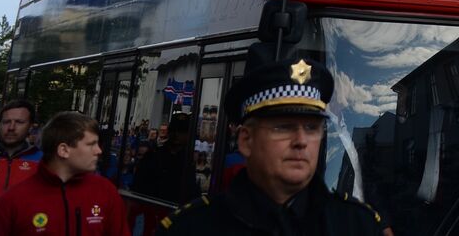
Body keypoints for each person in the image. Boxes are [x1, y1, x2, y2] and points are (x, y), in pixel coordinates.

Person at [156, 56, 388, 234]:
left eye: (311, 128)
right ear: (246, 140)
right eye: (283, 127)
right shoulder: (192, 228)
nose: (301, 142)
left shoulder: (357, 225)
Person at [0, 110, 127, 235]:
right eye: (91, 144)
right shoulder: (13, 202)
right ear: (63, 150)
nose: (98, 151)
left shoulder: (106, 191)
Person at [131, 112, 198, 205]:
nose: (176, 135)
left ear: (188, 135)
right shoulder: (153, 155)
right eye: (174, 130)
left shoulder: (188, 161)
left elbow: (191, 193)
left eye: (181, 131)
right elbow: (138, 188)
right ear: (169, 132)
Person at [0, 101, 40, 196]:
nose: (11, 127)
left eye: (19, 122)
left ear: (30, 127)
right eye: (6, 122)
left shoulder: (43, 160)